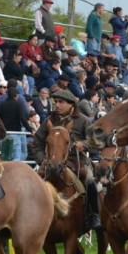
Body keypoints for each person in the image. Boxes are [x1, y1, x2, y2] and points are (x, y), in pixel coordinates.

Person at [31, 89, 100, 231]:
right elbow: (37, 143)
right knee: (34, 181)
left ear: (71, 105)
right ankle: (31, 214)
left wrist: (84, 144)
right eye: (55, 102)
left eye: (60, 102)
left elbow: (95, 141)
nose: (56, 105)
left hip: (77, 160)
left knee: (89, 179)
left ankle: (94, 214)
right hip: (51, 161)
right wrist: (42, 160)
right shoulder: (49, 120)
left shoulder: (83, 120)